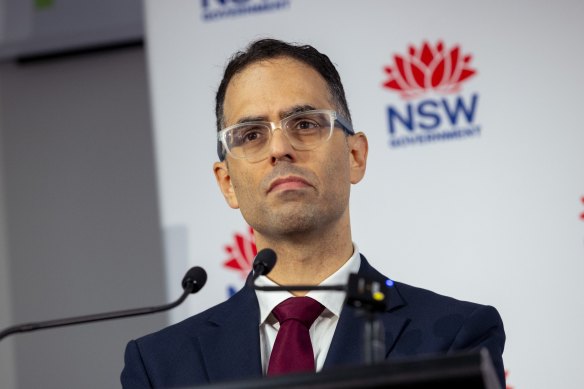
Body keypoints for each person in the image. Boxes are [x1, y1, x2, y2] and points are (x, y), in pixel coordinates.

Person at [121, 38, 505, 388]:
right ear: (227, 183)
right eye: (251, 134)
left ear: (355, 156)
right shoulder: (158, 365)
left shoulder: (454, 336)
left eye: (304, 124)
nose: (280, 148)